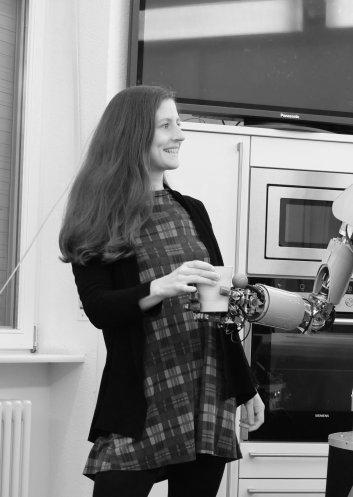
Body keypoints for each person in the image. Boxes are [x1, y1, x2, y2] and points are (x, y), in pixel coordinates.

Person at [59, 85, 264, 497]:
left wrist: (246, 388)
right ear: (134, 134)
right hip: (142, 396)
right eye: (166, 125)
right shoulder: (98, 216)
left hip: (208, 389)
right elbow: (100, 308)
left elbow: (218, 306)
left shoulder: (192, 209)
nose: (180, 134)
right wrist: (158, 287)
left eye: (179, 124)